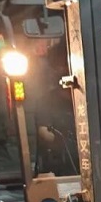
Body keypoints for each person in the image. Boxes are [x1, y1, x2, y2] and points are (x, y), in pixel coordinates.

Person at [32, 39, 79, 176]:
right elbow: (44, 131)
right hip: (60, 170)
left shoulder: (90, 100)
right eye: (61, 65)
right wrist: (64, 143)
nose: (64, 68)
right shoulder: (46, 101)